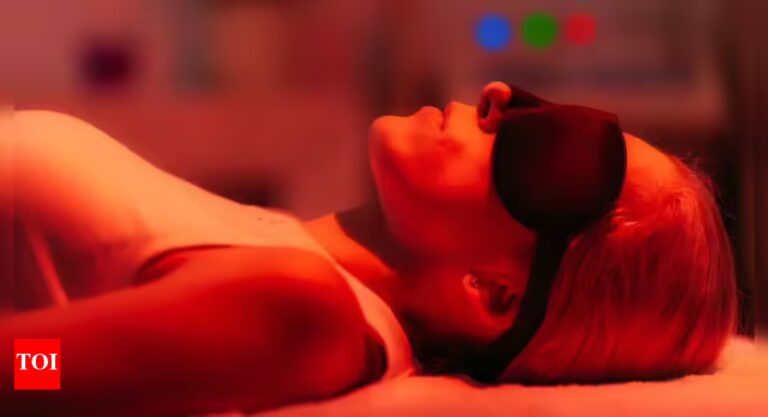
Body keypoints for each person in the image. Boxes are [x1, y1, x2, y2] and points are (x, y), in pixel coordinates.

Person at [0, 82, 736, 416]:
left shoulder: (305, 313)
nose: (498, 96)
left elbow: (40, 369)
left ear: (494, 293)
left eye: (553, 154)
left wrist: (24, 365)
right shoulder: (283, 250)